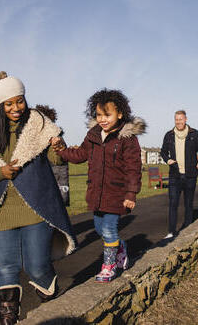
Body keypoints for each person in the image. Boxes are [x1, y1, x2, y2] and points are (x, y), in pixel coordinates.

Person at [0, 72, 76, 324]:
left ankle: (49, 295)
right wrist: (1, 172)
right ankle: (8, 319)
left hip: (36, 206)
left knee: (37, 266)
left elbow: (56, 161)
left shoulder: (39, 125)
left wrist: (59, 149)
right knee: (5, 267)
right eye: (9, 103)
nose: (15, 108)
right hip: (1, 209)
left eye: (19, 101)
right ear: (0, 105)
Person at [53, 89, 145, 283]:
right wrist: (62, 150)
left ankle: (109, 266)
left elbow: (133, 168)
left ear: (120, 114)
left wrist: (131, 193)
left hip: (117, 193)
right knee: (99, 228)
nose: (102, 119)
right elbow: (79, 155)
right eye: (99, 115)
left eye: (107, 114)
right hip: (96, 193)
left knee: (110, 230)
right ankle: (120, 247)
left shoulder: (127, 139)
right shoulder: (93, 134)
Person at [160, 110, 198, 239]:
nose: (178, 122)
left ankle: (187, 230)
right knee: (173, 203)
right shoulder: (169, 135)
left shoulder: (194, 134)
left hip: (190, 174)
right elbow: (163, 152)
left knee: (188, 203)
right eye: (176, 119)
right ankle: (171, 232)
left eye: (181, 119)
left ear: (185, 119)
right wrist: (168, 160)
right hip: (175, 175)